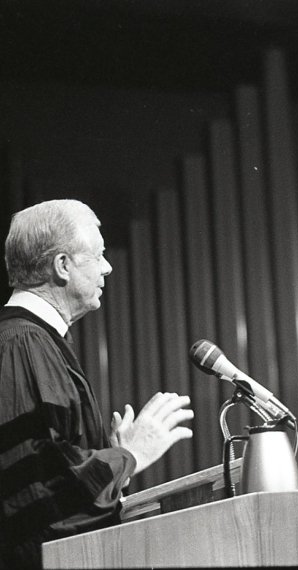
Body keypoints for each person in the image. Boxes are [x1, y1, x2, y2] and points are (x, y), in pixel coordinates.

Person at [0, 199, 194, 569]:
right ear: (62, 266)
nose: (107, 268)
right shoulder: (23, 344)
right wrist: (128, 456)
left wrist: (109, 465)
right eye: (98, 255)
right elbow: (36, 494)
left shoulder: (37, 342)